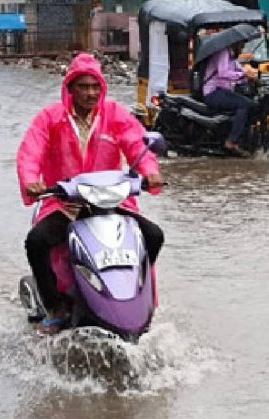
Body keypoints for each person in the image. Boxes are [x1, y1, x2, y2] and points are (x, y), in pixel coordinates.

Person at [17, 52, 165, 335]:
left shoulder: (115, 114)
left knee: (153, 235)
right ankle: (56, 306)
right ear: (70, 88)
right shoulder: (50, 118)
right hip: (66, 204)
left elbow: (137, 144)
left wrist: (150, 172)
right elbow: (30, 152)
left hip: (111, 201)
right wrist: (31, 181)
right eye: (83, 87)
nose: (90, 93)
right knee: (36, 242)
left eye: (96, 86)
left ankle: (135, 293)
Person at [202, 41, 258, 156]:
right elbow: (223, 73)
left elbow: (240, 71)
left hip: (224, 91)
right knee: (243, 105)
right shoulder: (223, 53)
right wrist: (243, 75)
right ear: (235, 43)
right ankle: (231, 141)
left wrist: (250, 77)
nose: (242, 48)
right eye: (241, 45)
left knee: (251, 104)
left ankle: (243, 140)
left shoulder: (232, 56)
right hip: (213, 92)